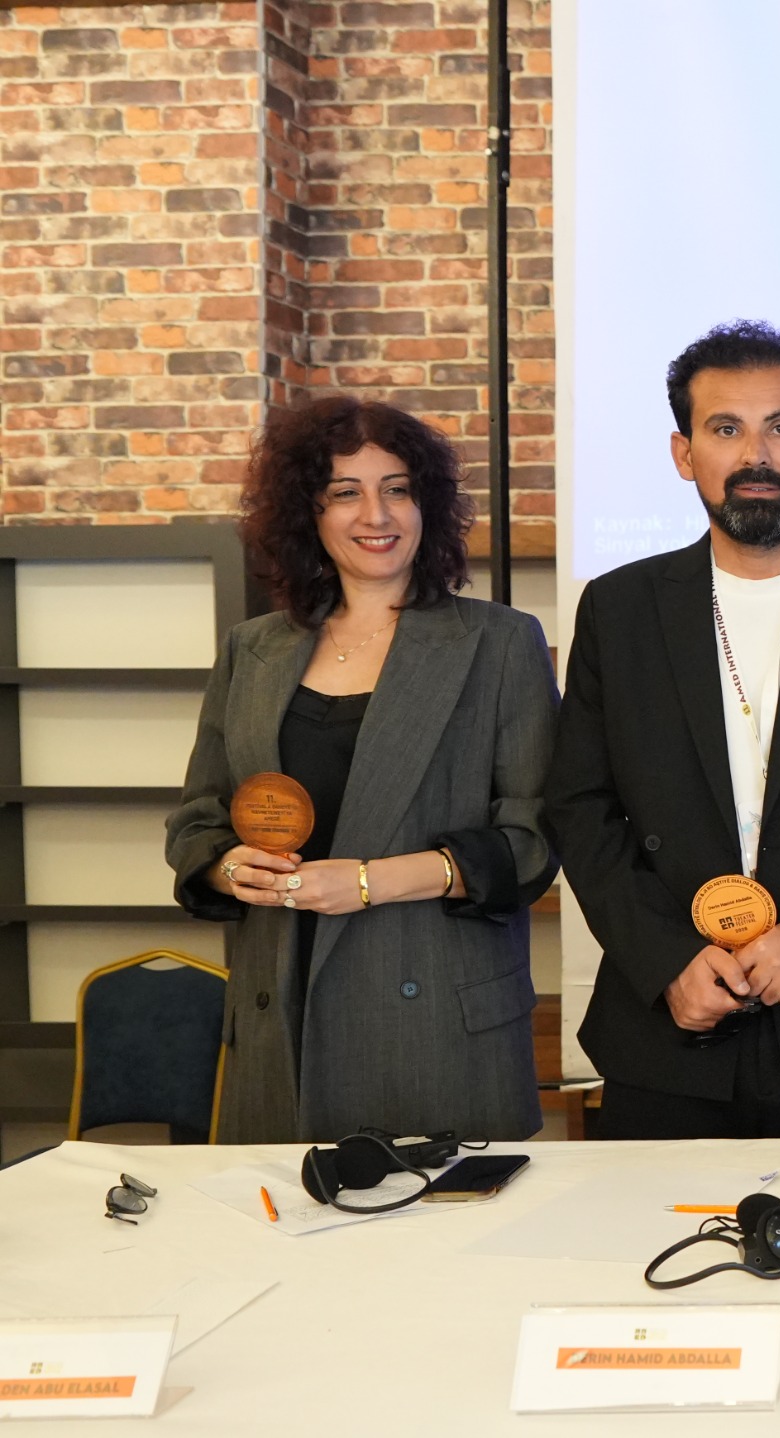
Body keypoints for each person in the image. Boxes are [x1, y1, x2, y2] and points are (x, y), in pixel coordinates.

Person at [545, 321, 780, 1139]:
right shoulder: (620, 609)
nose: (756, 455)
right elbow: (579, 809)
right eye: (725, 429)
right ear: (684, 453)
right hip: (668, 1028)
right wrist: (665, 961)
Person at [165, 396, 557, 1143]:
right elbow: (198, 821)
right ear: (307, 514)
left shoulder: (500, 643)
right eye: (345, 492)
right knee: (279, 1217)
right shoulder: (252, 649)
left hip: (434, 1024)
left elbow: (533, 840)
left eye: (397, 489)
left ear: (427, 504)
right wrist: (228, 868)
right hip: (278, 1009)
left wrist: (370, 882)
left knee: (436, 1221)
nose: (376, 514)